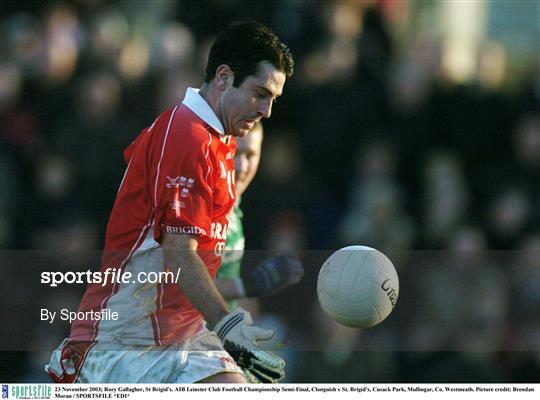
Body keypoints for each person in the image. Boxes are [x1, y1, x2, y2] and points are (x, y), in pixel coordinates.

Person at [45, 21, 294, 384]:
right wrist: (227, 324)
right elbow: (180, 252)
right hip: (126, 341)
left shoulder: (217, 139)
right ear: (223, 77)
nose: (267, 110)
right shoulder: (187, 136)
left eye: (273, 98)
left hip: (183, 337)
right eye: (260, 93)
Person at [216, 122, 304, 311]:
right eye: (234, 153)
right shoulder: (193, 205)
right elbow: (171, 284)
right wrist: (247, 286)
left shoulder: (235, 205)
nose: (242, 166)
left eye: (250, 155)